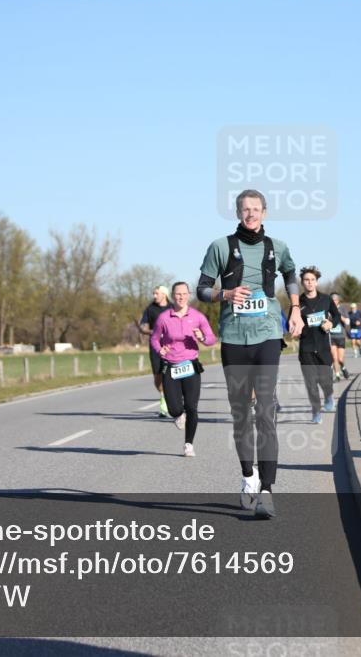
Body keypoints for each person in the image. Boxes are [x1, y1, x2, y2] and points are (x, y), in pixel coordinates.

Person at [196, 189, 302, 519]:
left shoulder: (278, 248)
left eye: (256, 209)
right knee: (241, 411)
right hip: (233, 337)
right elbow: (201, 288)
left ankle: (268, 490)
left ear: (265, 213)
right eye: (245, 209)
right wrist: (224, 293)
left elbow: (290, 273)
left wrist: (295, 308)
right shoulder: (221, 247)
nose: (251, 214)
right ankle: (248, 477)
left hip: (268, 334)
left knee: (266, 410)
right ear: (238, 212)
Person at [150, 282, 216, 457]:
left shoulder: (198, 316)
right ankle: (178, 415)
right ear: (173, 295)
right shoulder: (164, 318)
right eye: (178, 294)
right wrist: (159, 350)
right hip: (171, 366)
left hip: (190, 366)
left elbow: (211, 339)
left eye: (184, 294)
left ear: (189, 295)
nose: (181, 297)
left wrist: (202, 337)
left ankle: (188, 444)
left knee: (192, 407)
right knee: (174, 408)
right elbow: (154, 339)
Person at [297, 267, 340, 423]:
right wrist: (294, 328)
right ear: (302, 282)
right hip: (306, 348)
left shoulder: (326, 299)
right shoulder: (298, 302)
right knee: (311, 383)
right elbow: (292, 321)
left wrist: (330, 323)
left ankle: (328, 395)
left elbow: (337, 316)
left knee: (325, 380)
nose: (309, 283)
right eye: (306, 280)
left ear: (316, 281)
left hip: (323, 347)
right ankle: (316, 412)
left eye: (312, 280)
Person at [140, 285, 172, 417]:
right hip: (155, 347)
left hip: (171, 347)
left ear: (164, 294)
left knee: (171, 375)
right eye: (153, 293)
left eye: (156, 293)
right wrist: (152, 331)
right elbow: (143, 326)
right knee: (157, 377)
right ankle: (164, 396)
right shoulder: (150, 309)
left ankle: (168, 403)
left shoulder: (172, 308)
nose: (154, 296)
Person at [328, 292, 350, 380]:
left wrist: (338, 315)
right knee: (334, 358)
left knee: (340, 359)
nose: (333, 301)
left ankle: (343, 368)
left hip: (340, 336)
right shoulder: (327, 309)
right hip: (331, 336)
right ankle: (337, 375)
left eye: (335, 300)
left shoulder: (343, 309)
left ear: (338, 300)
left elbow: (347, 322)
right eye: (332, 300)